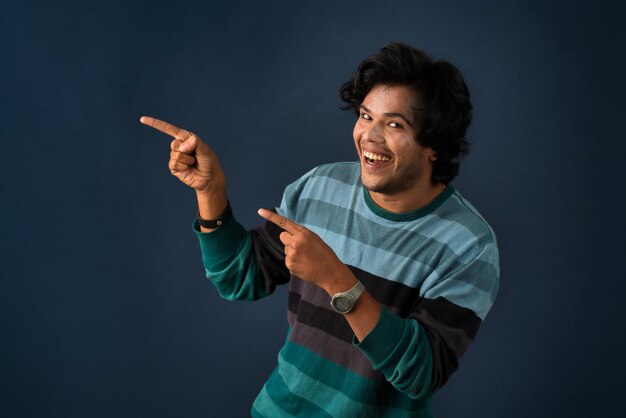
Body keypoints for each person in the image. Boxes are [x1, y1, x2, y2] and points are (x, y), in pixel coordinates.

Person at [141, 42, 499, 417]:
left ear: (435, 147)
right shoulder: (321, 186)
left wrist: (338, 282)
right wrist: (210, 191)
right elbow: (239, 277)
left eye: (394, 124)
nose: (370, 136)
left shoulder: (468, 244)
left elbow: (421, 372)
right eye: (365, 116)